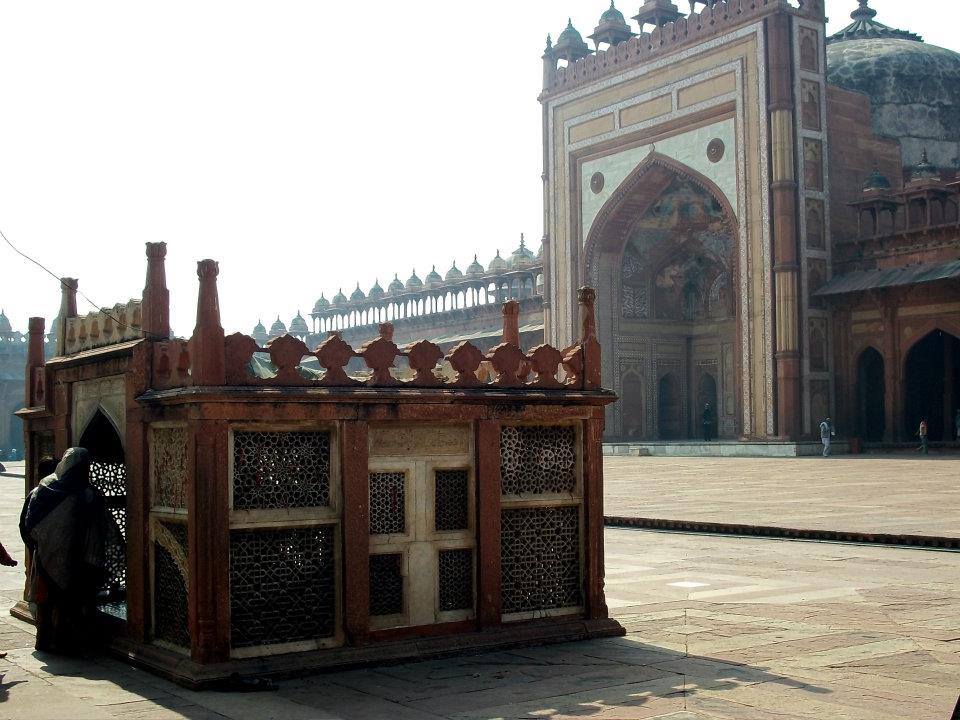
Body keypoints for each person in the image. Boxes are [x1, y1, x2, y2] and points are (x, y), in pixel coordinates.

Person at [19, 448, 111, 654]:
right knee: (70, 601)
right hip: (77, 558)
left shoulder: (43, 489)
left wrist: (38, 547)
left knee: (48, 601)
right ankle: (67, 643)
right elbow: (100, 529)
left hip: (45, 556)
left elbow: (27, 525)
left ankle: (45, 641)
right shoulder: (88, 494)